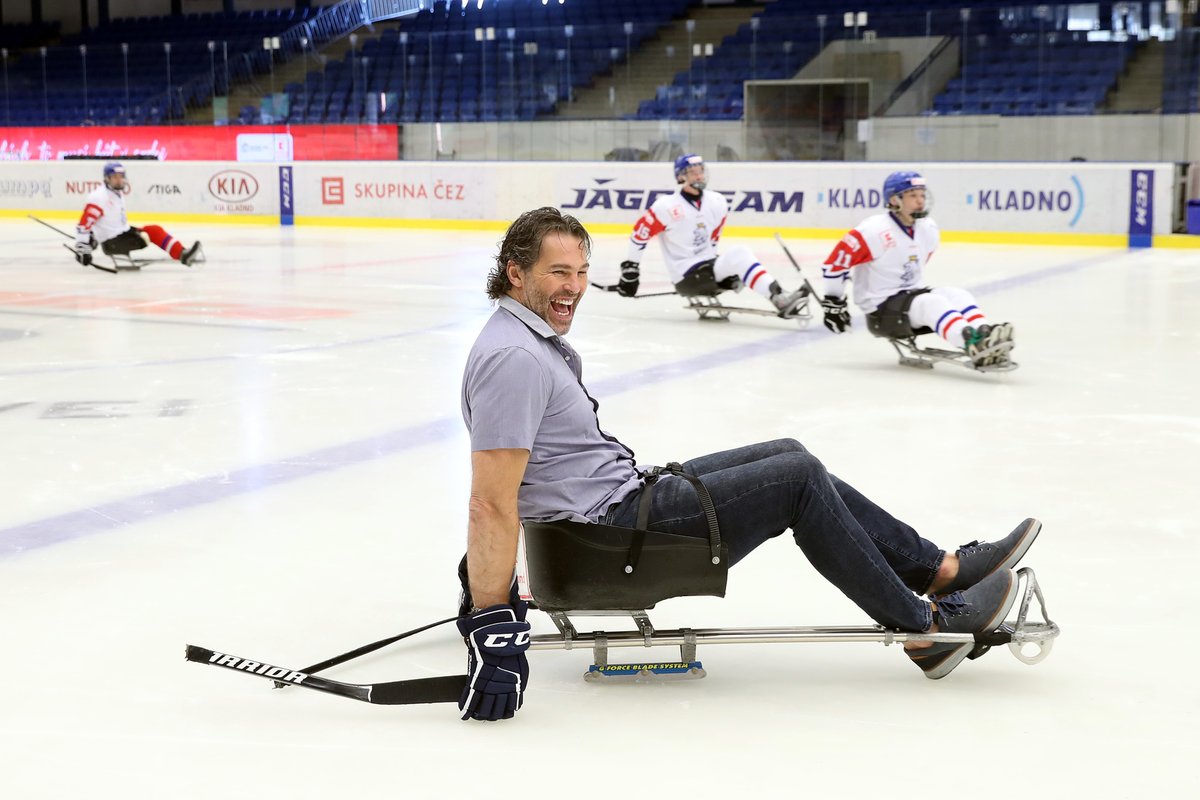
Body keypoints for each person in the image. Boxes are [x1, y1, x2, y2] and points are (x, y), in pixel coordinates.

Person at [455, 206, 1041, 722]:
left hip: (618, 505)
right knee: (796, 480)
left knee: (788, 454)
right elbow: (492, 500)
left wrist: (474, 580)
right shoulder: (514, 358)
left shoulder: (524, 339)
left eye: (582, 273)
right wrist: (491, 622)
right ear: (516, 272)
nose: (575, 287)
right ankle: (925, 628)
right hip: (608, 538)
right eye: (559, 272)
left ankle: (936, 569)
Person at [820, 171, 1013, 366]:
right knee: (932, 303)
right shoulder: (872, 231)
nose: (920, 201)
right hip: (881, 308)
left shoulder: (927, 228)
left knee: (957, 295)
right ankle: (972, 344)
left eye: (922, 194)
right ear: (895, 200)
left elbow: (917, 262)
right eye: (913, 196)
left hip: (911, 296)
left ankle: (985, 333)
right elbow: (835, 263)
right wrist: (833, 302)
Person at [616, 153, 807, 318]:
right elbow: (639, 234)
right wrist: (631, 270)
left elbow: (713, 240)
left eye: (700, 170)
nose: (699, 174)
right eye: (693, 171)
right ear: (681, 176)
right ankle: (780, 299)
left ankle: (779, 296)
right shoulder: (666, 206)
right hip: (686, 276)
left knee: (740, 255)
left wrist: (725, 270)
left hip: (707, 268)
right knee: (739, 253)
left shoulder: (717, 201)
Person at [74, 161, 202, 269]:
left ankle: (182, 253)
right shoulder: (99, 197)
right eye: (115, 177)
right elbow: (84, 225)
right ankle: (182, 254)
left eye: (121, 176)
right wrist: (83, 249)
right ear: (107, 178)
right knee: (147, 236)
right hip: (113, 242)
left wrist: (94, 238)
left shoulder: (116, 193)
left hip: (121, 234)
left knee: (154, 230)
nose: (119, 180)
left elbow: (105, 223)